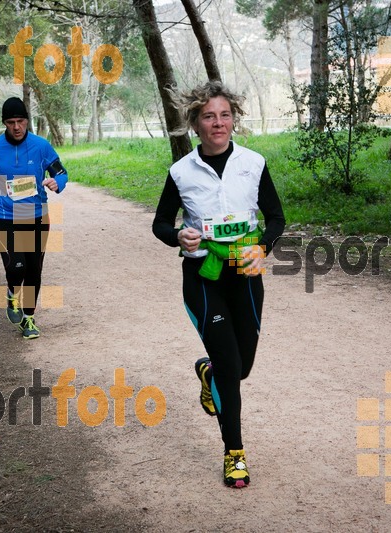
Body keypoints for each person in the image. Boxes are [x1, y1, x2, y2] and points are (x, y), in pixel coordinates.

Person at [152, 81, 285, 488]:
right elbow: (160, 223)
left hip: (245, 277)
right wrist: (178, 236)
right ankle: (235, 453)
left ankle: (208, 374)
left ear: (234, 119)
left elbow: (277, 218)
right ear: (195, 123)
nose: (218, 123)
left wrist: (262, 246)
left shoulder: (253, 163)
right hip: (203, 278)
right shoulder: (181, 172)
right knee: (231, 367)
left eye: (224, 115)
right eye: (209, 116)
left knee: (240, 367)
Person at [0, 97, 68, 340]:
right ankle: (11, 294)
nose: (16, 127)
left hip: (36, 216)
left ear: (27, 121)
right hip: (4, 217)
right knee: (17, 267)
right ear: (5, 123)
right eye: (11, 122)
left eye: (21, 121)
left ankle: (29, 319)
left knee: (34, 269)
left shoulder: (41, 145)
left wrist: (58, 182)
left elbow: (61, 171)